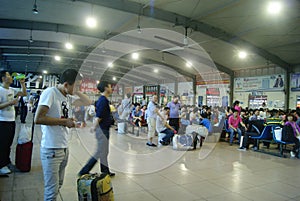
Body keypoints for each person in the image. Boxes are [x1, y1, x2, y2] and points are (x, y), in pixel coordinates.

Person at [34, 69, 91, 201]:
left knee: (58, 184)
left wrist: (75, 89)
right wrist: (65, 121)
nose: (78, 89)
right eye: (77, 86)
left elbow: (88, 101)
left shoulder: (66, 96)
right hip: (51, 149)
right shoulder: (50, 93)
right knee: (51, 191)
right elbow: (38, 118)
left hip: (64, 147)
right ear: (66, 84)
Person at [78, 80, 115, 177]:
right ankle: (84, 170)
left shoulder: (103, 100)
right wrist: (94, 127)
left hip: (104, 129)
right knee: (100, 151)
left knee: (104, 152)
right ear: (106, 88)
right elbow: (99, 116)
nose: (111, 88)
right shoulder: (103, 100)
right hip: (102, 130)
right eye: (110, 86)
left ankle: (105, 171)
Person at [0, 71, 27, 174]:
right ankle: (1, 165)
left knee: (8, 143)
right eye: (8, 75)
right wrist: (10, 103)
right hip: (2, 121)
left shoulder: (12, 89)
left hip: (11, 121)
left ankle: (6, 162)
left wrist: (22, 83)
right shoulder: (0, 90)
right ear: (3, 78)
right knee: (2, 144)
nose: (11, 77)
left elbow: (24, 93)